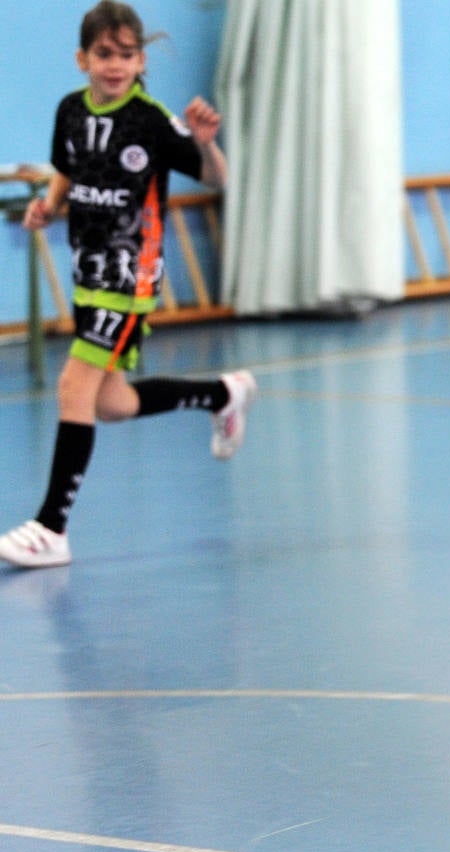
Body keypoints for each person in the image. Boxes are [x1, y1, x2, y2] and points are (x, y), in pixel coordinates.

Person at [0, 1, 254, 570]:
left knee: (73, 387)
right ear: (83, 58)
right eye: (104, 55)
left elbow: (219, 177)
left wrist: (208, 143)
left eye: (127, 55)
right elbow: (68, 167)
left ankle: (51, 528)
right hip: (88, 272)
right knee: (112, 403)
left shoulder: (152, 121)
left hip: (130, 277)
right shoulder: (70, 111)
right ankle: (222, 394)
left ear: (141, 60)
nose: (116, 65)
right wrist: (48, 205)